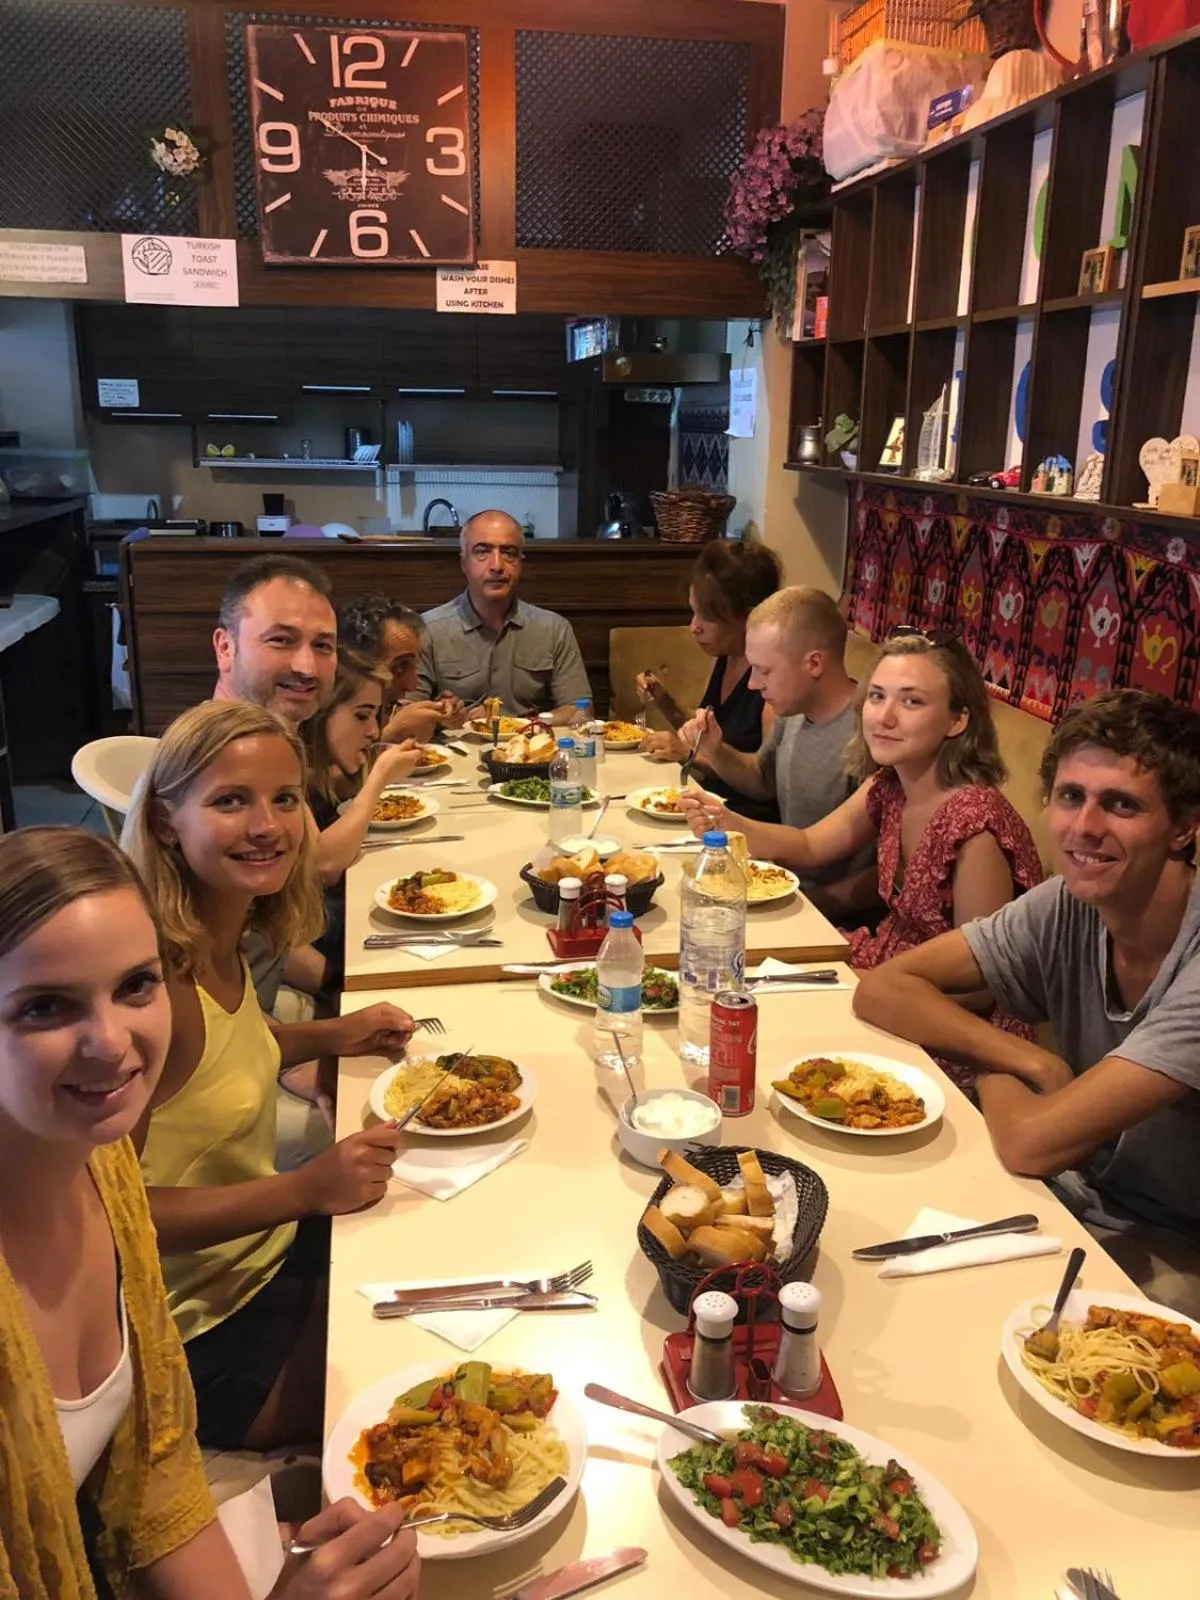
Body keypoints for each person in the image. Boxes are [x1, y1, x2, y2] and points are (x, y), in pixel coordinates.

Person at [0, 826, 420, 1599]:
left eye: (136, 985)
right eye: (46, 1007)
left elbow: (156, 1474)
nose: (112, 1043)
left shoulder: (103, 1167)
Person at [122, 701, 414, 1452]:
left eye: (284, 799)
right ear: (163, 821)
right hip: (197, 1345)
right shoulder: (153, 986)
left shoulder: (223, 930)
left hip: (272, 1253)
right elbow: (109, 1216)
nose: (268, 826)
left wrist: (333, 1034)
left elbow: (230, 1052)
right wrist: (303, 1189)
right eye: (230, 801)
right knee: (417, 1386)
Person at [853, 689, 1200, 1315]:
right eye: (1071, 797)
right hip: (1072, 1198)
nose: (1085, 828)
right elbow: (882, 987)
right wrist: (1029, 1062)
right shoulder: (1071, 902)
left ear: (1183, 828)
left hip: (1176, 1244)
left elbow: (1031, 1142)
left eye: (1121, 804)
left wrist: (988, 1064)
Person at [680, 628, 1042, 1074]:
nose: (884, 717)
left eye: (911, 702)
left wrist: (862, 991)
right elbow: (811, 845)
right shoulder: (890, 785)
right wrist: (727, 822)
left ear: (957, 720)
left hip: (956, 1030)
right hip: (884, 976)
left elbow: (978, 986)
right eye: (876, 696)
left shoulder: (976, 824)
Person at [675, 585, 877, 907]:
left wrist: (810, 907)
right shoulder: (793, 712)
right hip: (777, 885)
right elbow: (763, 782)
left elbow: (880, 874)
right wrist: (716, 749)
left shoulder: (872, 734)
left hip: (826, 911)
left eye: (764, 670)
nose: (753, 684)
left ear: (814, 663)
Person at [636, 540, 782, 823]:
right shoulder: (730, 655)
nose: (694, 627)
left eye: (706, 616)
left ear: (749, 616)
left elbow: (766, 784)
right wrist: (665, 702)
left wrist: (688, 755)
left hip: (746, 824)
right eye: (693, 611)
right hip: (707, 808)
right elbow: (712, 731)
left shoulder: (772, 678)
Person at [303, 649, 421, 984]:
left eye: (377, 716)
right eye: (361, 716)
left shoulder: (320, 769)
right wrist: (380, 776)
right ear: (321, 713)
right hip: (317, 925)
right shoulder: (284, 766)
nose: (373, 731)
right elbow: (325, 864)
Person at [415, 509, 590, 722]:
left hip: (530, 747)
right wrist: (444, 716)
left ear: (521, 563)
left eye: (509, 553)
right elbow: (407, 715)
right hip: (455, 750)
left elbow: (581, 710)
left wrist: (522, 726)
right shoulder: (427, 630)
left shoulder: (554, 629)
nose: (497, 566)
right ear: (464, 563)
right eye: (482, 551)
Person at [213, 554, 338, 726]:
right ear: (225, 648)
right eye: (281, 640)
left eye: (322, 645)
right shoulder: (202, 752)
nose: (307, 669)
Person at [339, 592, 461, 744]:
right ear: (356, 663)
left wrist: (438, 718)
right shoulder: (319, 714)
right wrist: (391, 736)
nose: (412, 685)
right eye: (400, 666)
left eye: (414, 665)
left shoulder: (390, 708)